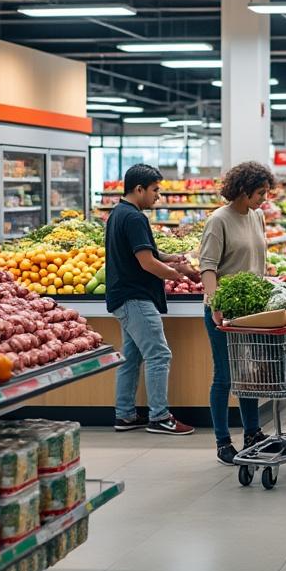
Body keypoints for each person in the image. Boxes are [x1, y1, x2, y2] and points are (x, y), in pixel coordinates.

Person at [106, 164, 198, 436]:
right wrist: (177, 275)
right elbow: (146, 262)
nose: (158, 196)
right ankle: (159, 417)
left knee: (131, 357)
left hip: (122, 295)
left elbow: (144, 253)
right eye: (155, 190)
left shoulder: (117, 213)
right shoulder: (135, 218)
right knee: (159, 354)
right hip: (135, 297)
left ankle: (124, 415)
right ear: (139, 189)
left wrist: (171, 258)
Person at [198, 162, 276, 465]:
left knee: (249, 375)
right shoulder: (219, 220)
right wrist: (216, 304)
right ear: (242, 191)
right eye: (260, 193)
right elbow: (207, 267)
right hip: (224, 310)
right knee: (225, 376)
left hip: (253, 310)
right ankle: (222, 441)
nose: (264, 199)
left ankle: (253, 433)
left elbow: (259, 259)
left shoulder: (257, 216)